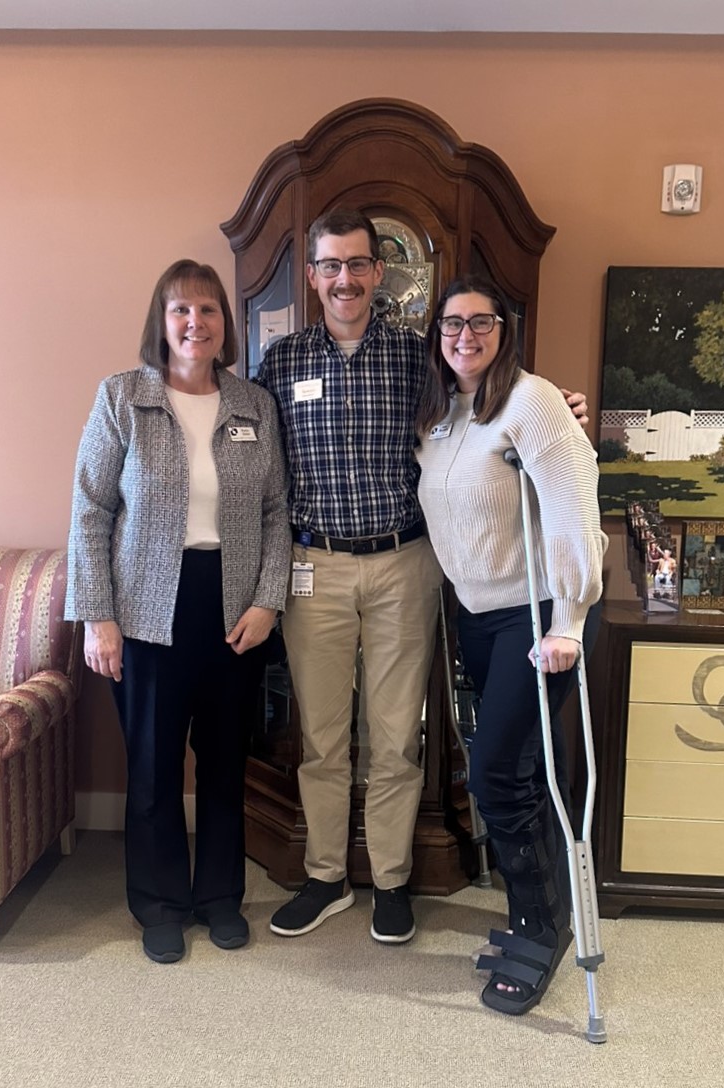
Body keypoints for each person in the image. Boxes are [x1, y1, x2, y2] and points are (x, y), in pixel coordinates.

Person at [257, 208, 590, 946]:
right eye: (329, 266)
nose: (344, 279)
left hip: (407, 562)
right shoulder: (279, 365)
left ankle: (392, 879)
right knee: (319, 736)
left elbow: (490, 397)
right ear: (312, 277)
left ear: (379, 273)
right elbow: (252, 461)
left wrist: (556, 408)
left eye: (356, 264)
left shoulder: (419, 356)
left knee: (395, 735)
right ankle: (322, 875)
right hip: (312, 567)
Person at [66, 260, 290, 965]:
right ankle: (160, 903)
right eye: (180, 311)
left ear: (227, 323)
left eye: (208, 310)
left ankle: (219, 897)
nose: (196, 323)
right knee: (156, 768)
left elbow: (278, 512)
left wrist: (266, 601)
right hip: (144, 613)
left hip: (232, 609)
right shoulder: (123, 397)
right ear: (160, 322)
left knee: (225, 763)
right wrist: (97, 617)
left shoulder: (254, 402)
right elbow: (89, 509)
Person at [415, 274, 607, 1015]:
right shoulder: (443, 412)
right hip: (475, 616)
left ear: (506, 328)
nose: (464, 335)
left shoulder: (533, 402)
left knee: (495, 774)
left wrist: (569, 622)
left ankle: (537, 925)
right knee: (515, 770)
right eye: (450, 324)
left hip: (532, 618)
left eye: (480, 322)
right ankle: (546, 913)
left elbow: (571, 507)